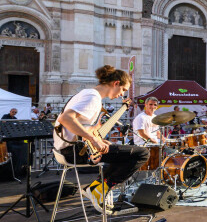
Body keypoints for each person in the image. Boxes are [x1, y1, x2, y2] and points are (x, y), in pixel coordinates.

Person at [53, 65, 149, 213]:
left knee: (122, 155)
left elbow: (82, 126)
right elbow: (66, 118)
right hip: (74, 152)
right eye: (123, 90)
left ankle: (95, 188)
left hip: (68, 149)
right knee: (142, 154)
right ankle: (98, 189)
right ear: (116, 83)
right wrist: (94, 139)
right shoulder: (93, 97)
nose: (121, 95)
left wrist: (98, 139)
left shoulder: (87, 93)